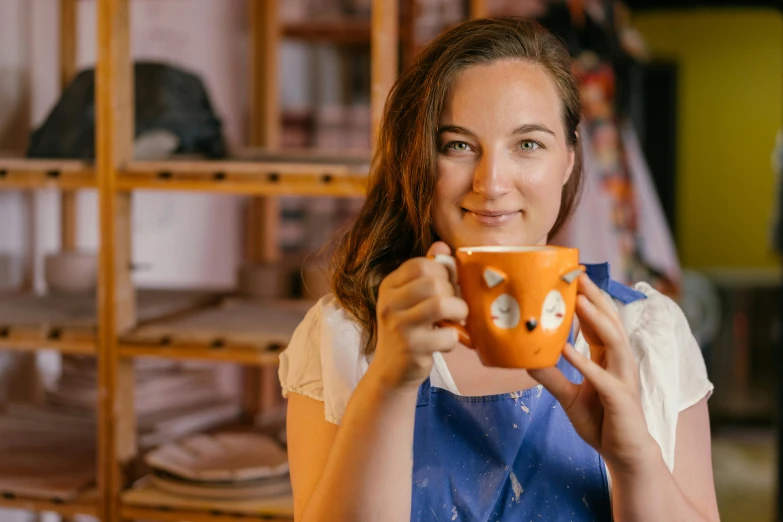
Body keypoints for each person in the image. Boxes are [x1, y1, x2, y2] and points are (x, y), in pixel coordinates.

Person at [279, 18, 719, 521]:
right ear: (419, 158)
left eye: (528, 144)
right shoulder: (345, 335)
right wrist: (387, 386)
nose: (491, 182)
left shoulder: (648, 335)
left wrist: (634, 457)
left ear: (570, 159)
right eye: (458, 146)